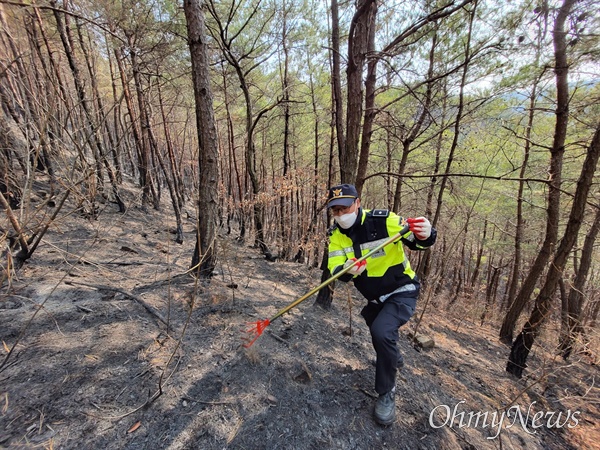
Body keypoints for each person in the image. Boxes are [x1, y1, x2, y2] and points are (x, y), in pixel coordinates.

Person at [326, 183, 437, 426]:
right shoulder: (335, 236)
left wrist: (427, 234)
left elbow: (416, 240)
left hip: (401, 291)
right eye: (336, 210)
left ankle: (387, 393)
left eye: (345, 207)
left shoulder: (383, 220)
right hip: (374, 299)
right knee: (375, 325)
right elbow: (335, 269)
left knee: (382, 331)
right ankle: (393, 356)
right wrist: (346, 271)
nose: (341, 214)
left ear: (357, 203)